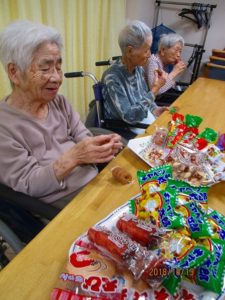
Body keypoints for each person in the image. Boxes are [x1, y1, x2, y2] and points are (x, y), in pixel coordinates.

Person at [0, 20, 123, 209]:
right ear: (15, 72)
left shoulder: (59, 102)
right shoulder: (4, 126)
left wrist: (101, 147)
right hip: (64, 206)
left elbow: (83, 135)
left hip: (95, 183)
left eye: (58, 67)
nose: (57, 78)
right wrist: (74, 157)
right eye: (45, 68)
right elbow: (29, 183)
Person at [101, 20, 168, 140]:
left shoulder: (138, 70)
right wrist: (154, 91)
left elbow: (143, 98)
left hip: (140, 122)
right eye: (146, 50)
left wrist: (155, 109)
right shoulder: (112, 77)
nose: (149, 55)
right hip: (122, 128)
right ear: (129, 51)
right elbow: (130, 116)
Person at [144, 33, 186, 104]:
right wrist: (174, 72)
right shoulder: (153, 62)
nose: (178, 55)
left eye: (180, 51)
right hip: (150, 103)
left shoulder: (160, 62)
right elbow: (155, 92)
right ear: (163, 50)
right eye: (176, 50)